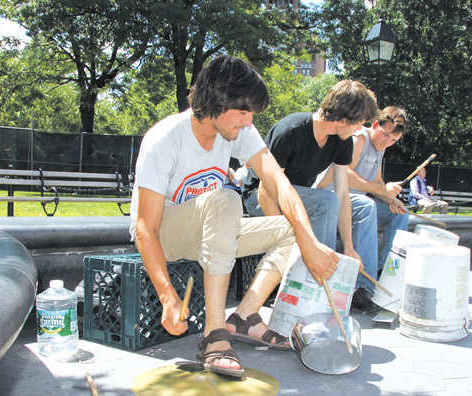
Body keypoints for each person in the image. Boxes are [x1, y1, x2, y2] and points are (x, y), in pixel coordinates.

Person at [130, 55, 338, 378]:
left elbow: (279, 184)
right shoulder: (165, 139)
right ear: (217, 101)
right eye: (243, 112)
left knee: (289, 228)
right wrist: (168, 298)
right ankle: (214, 335)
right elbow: (145, 229)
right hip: (167, 234)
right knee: (227, 198)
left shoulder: (239, 131)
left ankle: (244, 316)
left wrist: (309, 241)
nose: (248, 121)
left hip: (215, 230)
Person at [241, 79, 379, 310]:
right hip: (260, 196)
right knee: (325, 201)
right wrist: (284, 236)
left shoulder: (342, 140)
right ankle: (320, 284)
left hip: (298, 199)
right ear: (344, 118)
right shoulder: (290, 131)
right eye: (359, 123)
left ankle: (317, 282)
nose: (360, 130)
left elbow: (343, 194)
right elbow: (267, 191)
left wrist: (348, 246)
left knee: (332, 200)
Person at [314, 106, 410, 311]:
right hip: (337, 199)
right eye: (385, 135)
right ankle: (362, 287)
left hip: (359, 202)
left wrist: (389, 196)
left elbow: (375, 181)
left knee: (400, 214)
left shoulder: (381, 148)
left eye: (393, 140)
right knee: (368, 206)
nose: (386, 142)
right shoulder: (359, 138)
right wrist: (379, 189)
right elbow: (344, 174)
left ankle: (383, 273)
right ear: (375, 125)